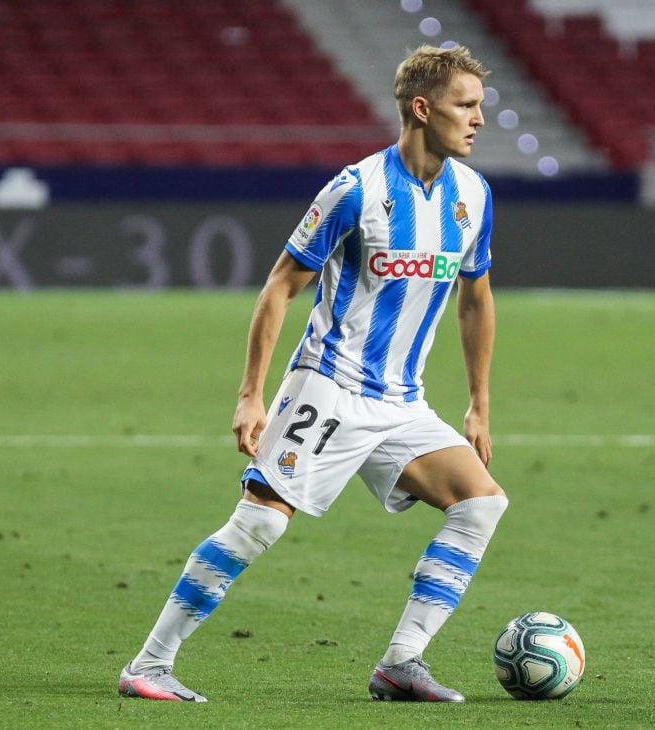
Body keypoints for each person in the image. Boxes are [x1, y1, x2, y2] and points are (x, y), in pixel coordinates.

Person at [118, 44, 508, 704]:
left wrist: (478, 402)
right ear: (422, 108)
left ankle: (401, 662)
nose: (478, 119)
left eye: (479, 106)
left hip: (401, 402)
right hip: (327, 386)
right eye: (465, 105)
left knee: (481, 504)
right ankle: (149, 665)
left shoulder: (473, 195)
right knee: (261, 523)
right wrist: (251, 395)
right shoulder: (355, 190)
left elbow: (476, 298)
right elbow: (279, 288)